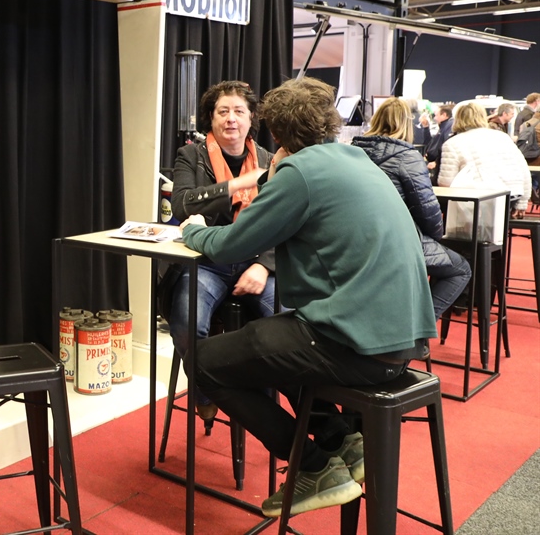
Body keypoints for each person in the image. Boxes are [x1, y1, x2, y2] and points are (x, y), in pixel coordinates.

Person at [180, 77, 436, 519]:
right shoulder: (355, 158)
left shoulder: (300, 173)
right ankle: (340, 438)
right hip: (402, 342)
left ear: (275, 133)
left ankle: (313, 467)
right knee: (271, 341)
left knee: (203, 361)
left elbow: (230, 244)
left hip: (357, 346)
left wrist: (193, 231)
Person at [168, 80, 276, 422]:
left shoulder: (269, 160)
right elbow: (182, 205)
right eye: (223, 111)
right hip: (206, 261)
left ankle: (258, 398)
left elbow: (284, 221)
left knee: (290, 325)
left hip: (255, 261)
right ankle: (207, 391)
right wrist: (238, 184)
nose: (231, 118)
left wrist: (264, 266)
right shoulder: (191, 156)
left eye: (239, 111)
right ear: (211, 118)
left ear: (251, 118)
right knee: (186, 324)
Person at [352, 98, 471, 321]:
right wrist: (436, 237)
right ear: (407, 124)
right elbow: (427, 211)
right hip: (395, 241)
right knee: (460, 270)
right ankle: (417, 327)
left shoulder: (351, 151)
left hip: (353, 239)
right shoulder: (408, 156)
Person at [438, 102, 532, 219]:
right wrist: (522, 203)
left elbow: (446, 183)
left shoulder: (452, 143)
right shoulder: (503, 137)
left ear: (457, 119)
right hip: (511, 195)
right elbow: (523, 170)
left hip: (480, 199)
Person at [425, 103, 454, 185]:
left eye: (436, 115)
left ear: (444, 115)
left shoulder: (448, 126)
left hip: (439, 165)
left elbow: (445, 146)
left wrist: (436, 162)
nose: (435, 118)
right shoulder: (443, 127)